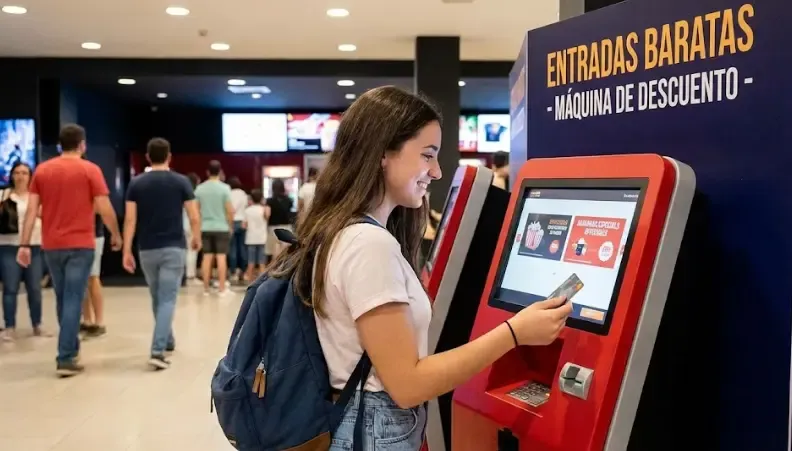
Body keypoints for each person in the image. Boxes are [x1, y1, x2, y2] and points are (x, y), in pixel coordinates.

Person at [267, 86, 572, 450]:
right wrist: (514, 332)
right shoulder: (368, 245)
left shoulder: (339, 228)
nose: (437, 171)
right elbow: (408, 385)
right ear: (383, 154)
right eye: (427, 155)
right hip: (372, 433)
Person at [17, 124, 122, 377]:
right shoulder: (89, 170)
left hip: (52, 245)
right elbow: (104, 206)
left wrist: (24, 243)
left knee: (64, 297)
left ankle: (71, 348)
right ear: (82, 144)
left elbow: (32, 210)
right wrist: (115, 234)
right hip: (81, 244)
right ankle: (65, 357)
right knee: (74, 296)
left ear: (59, 145)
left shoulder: (42, 170)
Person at [122, 138, 200, 369]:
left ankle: (167, 339)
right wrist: (196, 237)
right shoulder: (181, 182)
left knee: (157, 297)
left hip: (147, 249)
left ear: (148, 157)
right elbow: (193, 215)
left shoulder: (136, 183)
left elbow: (130, 219)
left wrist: (126, 249)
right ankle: (157, 350)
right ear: (169, 156)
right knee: (166, 298)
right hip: (174, 247)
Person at [0, 162, 47, 341]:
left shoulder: (37, 197)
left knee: (34, 287)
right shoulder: (4, 195)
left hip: (33, 244)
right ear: (12, 175)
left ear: (30, 176)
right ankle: (10, 325)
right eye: (17, 173)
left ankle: (37, 324)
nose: (20, 176)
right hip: (8, 245)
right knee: (10, 287)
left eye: (24, 173)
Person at [194, 160, 233, 296]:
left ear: (207, 172)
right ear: (220, 171)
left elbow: (196, 211)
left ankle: (205, 288)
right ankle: (222, 288)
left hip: (205, 227)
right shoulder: (225, 188)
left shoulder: (199, 189)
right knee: (221, 257)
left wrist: (197, 229)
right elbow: (229, 210)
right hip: (221, 227)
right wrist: (230, 226)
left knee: (207, 257)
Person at [80, 215, 106, 338]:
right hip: (78, 233)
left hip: (93, 234)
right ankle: (87, 319)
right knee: (82, 279)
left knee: (93, 277)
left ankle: (99, 321)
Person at [242, 188, 269, 281]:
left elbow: (244, 225)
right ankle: (262, 281)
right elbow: (267, 217)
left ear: (251, 199)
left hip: (250, 238)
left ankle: (250, 281)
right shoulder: (264, 209)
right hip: (261, 238)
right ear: (262, 198)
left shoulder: (247, 210)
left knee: (251, 262)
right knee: (262, 262)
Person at [227, 176, 248, 283]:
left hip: (232, 222)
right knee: (243, 247)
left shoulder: (228, 193)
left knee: (232, 248)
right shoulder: (243, 194)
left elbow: (231, 209)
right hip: (242, 222)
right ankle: (243, 272)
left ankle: (233, 271)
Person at [265, 178, 293, 259]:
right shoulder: (289, 200)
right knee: (285, 251)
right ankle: (283, 269)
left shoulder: (269, 201)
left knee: (275, 249)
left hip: (273, 227)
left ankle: (275, 268)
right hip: (286, 227)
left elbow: (267, 214)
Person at [184, 172, 201, 281]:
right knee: (192, 251)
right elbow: (196, 214)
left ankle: (184, 274)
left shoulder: (182, 193)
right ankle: (190, 275)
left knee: (185, 251)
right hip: (191, 225)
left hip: (181, 224)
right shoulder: (195, 195)